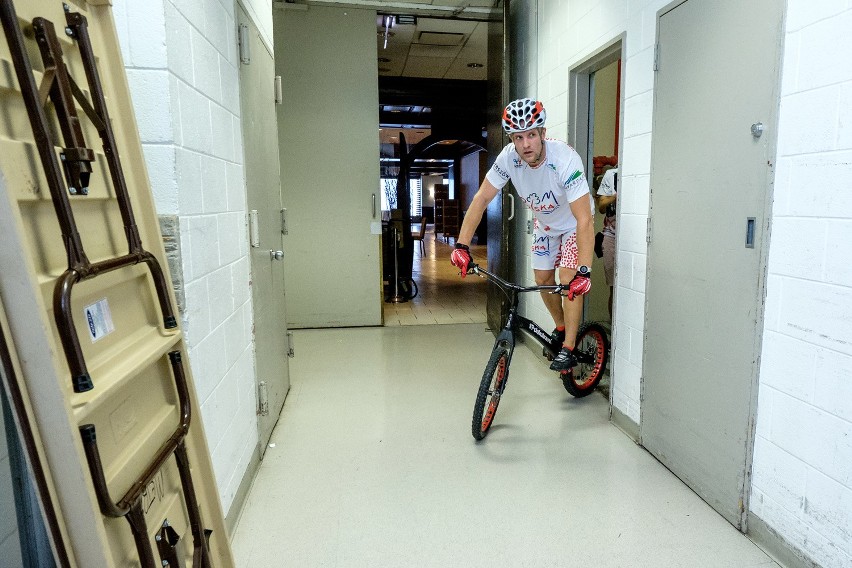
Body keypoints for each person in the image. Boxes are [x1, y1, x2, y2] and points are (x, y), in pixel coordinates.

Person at [450, 98, 595, 371]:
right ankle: (561, 327)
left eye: (531, 135)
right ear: (512, 140)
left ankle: (570, 347)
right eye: (519, 137)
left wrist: (584, 272)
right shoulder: (507, 159)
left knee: (567, 278)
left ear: (542, 133)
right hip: (545, 223)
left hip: (574, 224)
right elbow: (481, 199)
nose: (526, 144)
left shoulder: (564, 160)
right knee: (541, 279)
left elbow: (584, 219)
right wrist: (461, 245)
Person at [595, 166, 618, 317]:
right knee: (614, 288)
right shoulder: (612, 174)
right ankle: (614, 331)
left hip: (635, 236)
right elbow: (601, 206)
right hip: (612, 237)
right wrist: (615, 196)